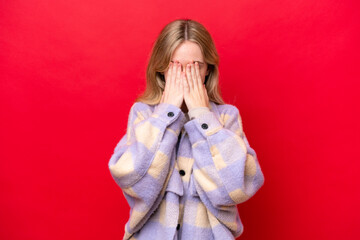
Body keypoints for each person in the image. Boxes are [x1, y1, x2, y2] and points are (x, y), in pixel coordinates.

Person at [108, 18, 265, 240]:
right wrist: (165, 114)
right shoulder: (143, 114)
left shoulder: (226, 117)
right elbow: (135, 183)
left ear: (207, 69)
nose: (185, 75)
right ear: (162, 68)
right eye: (176, 66)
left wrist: (203, 116)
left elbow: (236, 188)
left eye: (195, 66)